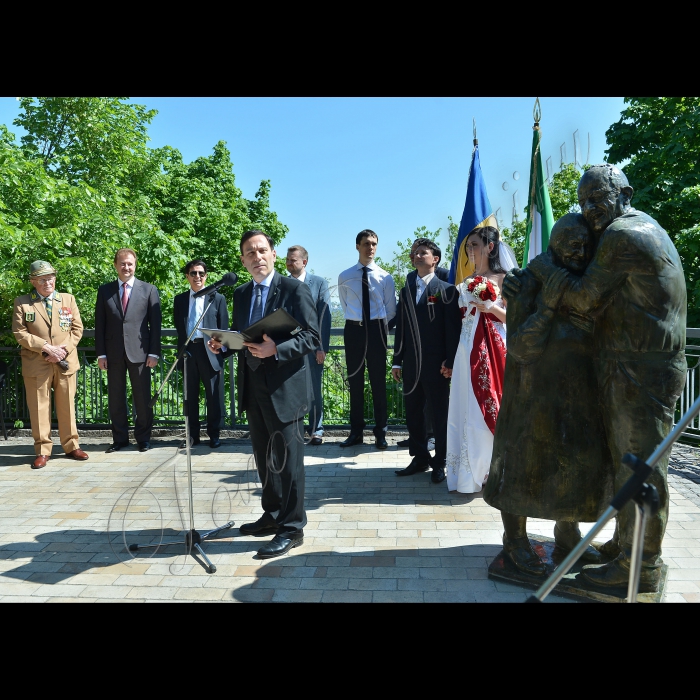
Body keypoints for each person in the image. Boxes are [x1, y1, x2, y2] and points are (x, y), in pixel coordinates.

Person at [519, 164, 687, 592]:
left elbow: (585, 298)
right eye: (583, 202)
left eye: (597, 198)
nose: (589, 210)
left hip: (639, 370)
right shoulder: (644, 227)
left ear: (624, 193)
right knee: (634, 464)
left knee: (642, 470)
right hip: (642, 366)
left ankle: (641, 567)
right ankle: (626, 546)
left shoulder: (621, 235)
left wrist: (543, 269)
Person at [486, 215, 611, 575]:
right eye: (573, 243)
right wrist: (549, 305)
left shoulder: (588, 282)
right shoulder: (528, 282)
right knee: (521, 467)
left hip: (576, 390)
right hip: (531, 392)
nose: (581, 251)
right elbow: (522, 346)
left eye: (586, 245)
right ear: (555, 243)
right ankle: (515, 542)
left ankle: (568, 535)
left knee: (573, 466)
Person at [208, 230, 320, 559]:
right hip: (253, 386)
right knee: (264, 458)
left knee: (289, 462)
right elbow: (246, 339)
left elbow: (313, 337)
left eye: (262, 250)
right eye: (249, 252)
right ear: (243, 260)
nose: (257, 256)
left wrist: (278, 348)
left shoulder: (294, 289)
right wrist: (223, 345)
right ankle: (272, 515)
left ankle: (292, 527)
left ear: (273, 254)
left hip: (286, 388)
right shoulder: (241, 294)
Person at [445, 226, 514, 493]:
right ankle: (466, 471)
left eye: (474, 245)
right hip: (467, 346)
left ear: (490, 247)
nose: (470, 251)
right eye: (468, 247)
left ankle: (491, 469)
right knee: (465, 404)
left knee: (485, 404)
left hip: (492, 348)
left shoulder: (505, 278)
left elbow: (514, 319)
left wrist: (491, 306)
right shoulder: (468, 281)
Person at [391, 239, 461, 483]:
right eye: (415, 253)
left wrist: (450, 361)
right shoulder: (406, 290)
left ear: (435, 259)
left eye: (423, 253)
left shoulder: (447, 290)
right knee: (414, 413)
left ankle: (440, 462)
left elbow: (452, 331)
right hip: (411, 365)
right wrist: (397, 361)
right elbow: (401, 329)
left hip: (437, 366)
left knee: (439, 414)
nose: (418, 256)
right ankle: (420, 457)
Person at [12, 261, 89, 469]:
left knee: (67, 406)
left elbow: (77, 329)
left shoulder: (67, 299)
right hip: (37, 364)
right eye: (43, 279)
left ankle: (72, 445)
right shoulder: (23, 303)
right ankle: (43, 450)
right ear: (33, 281)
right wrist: (45, 347)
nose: (48, 282)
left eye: (51, 277)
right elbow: (20, 333)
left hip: (65, 361)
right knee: (39, 408)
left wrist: (62, 350)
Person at [95, 248, 162, 453]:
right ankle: (120, 439)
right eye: (122, 263)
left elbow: (155, 325)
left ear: (135, 265)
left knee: (142, 399)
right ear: (116, 265)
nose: (126, 267)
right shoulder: (105, 291)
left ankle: (143, 439)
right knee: (116, 398)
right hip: (113, 353)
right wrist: (101, 353)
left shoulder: (149, 290)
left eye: (130, 264)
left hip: (141, 353)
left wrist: (154, 352)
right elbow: (100, 324)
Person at [337, 229, 396, 449]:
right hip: (353, 331)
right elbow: (345, 305)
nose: (370, 248)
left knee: (378, 383)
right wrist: (358, 324)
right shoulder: (345, 275)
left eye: (373, 244)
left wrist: (378, 329)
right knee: (355, 383)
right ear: (357, 246)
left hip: (377, 330)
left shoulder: (384, 276)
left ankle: (381, 432)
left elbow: (391, 310)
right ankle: (356, 432)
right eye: (366, 244)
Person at [173, 259, 229, 449]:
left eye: (201, 273)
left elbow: (224, 328)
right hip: (189, 351)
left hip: (210, 351)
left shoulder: (217, 298)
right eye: (193, 273)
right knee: (190, 397)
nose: (197, 276)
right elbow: (179, 328)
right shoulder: (179, 299)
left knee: (213, 397)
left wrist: (221, 349)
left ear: (206, 276)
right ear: (187, 276)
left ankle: (214, 435)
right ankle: (192, 436)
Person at [285, 245, 331, 445]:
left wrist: (321, 347)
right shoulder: (283, 283)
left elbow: (324, 317)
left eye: (293, 260)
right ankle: (294, 430)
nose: (288, 263)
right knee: (291, 389)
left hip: (313, 346)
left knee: (313, 389)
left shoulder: (319, 283)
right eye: (287, 259)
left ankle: (316, 430)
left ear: (304, 262)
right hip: (288, 345)